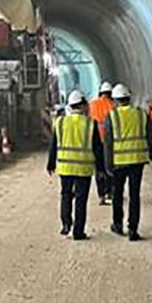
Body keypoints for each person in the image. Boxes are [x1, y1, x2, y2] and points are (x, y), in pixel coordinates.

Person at [47, 90, 105, 241]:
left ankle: (66, 225)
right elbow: (97, 148)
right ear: (83, 105)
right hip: (83, 168)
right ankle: (78, 231)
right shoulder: (90, 123)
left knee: (66, 195)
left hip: (65, 167)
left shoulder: (60, 122)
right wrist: (101, 168)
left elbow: (54, 144)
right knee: (81, 199)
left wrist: (51, 163)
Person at [104, 83, 151, 241]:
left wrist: (108, 163)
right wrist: (148, 153)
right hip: (137, 160)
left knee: (117, 194)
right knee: (134, 195)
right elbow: (149, 135)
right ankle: (133, 229)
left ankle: (118, 224)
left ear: (115, 100)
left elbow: (108, 142)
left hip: (119, 162)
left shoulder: (112, 117)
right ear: (129, 98)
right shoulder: (141, 114)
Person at [88, 81, 115, 205]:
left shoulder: (92, 105)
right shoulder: (112, 105)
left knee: (99, 168)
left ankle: (101, 195)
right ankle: (110, 191)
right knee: (109, 167)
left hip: (95, 141)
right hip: (109, 141)